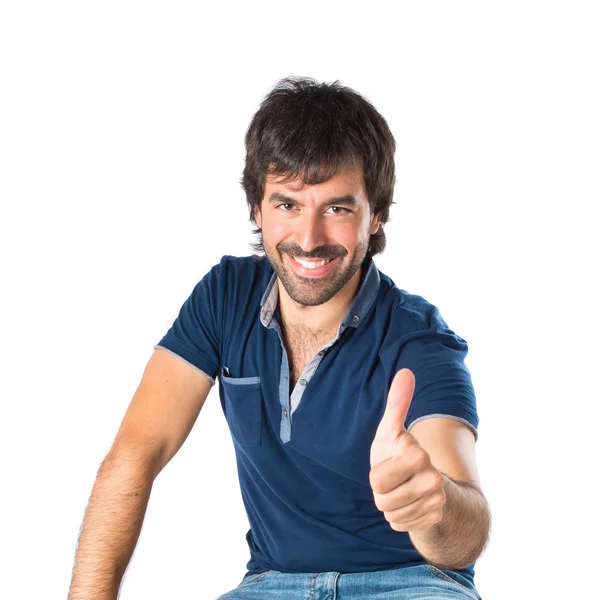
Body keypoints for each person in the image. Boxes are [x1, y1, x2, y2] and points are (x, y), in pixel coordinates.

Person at [68, 76, 491, 600]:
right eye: (287, 204)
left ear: (375, 214)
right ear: (256, 208)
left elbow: (465, 533)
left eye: (337, 208)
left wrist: (435, 507)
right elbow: (136, 452)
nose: (309, 239)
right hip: (272, 585)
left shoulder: (419, 338)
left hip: (411, 582)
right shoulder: (225, 297)